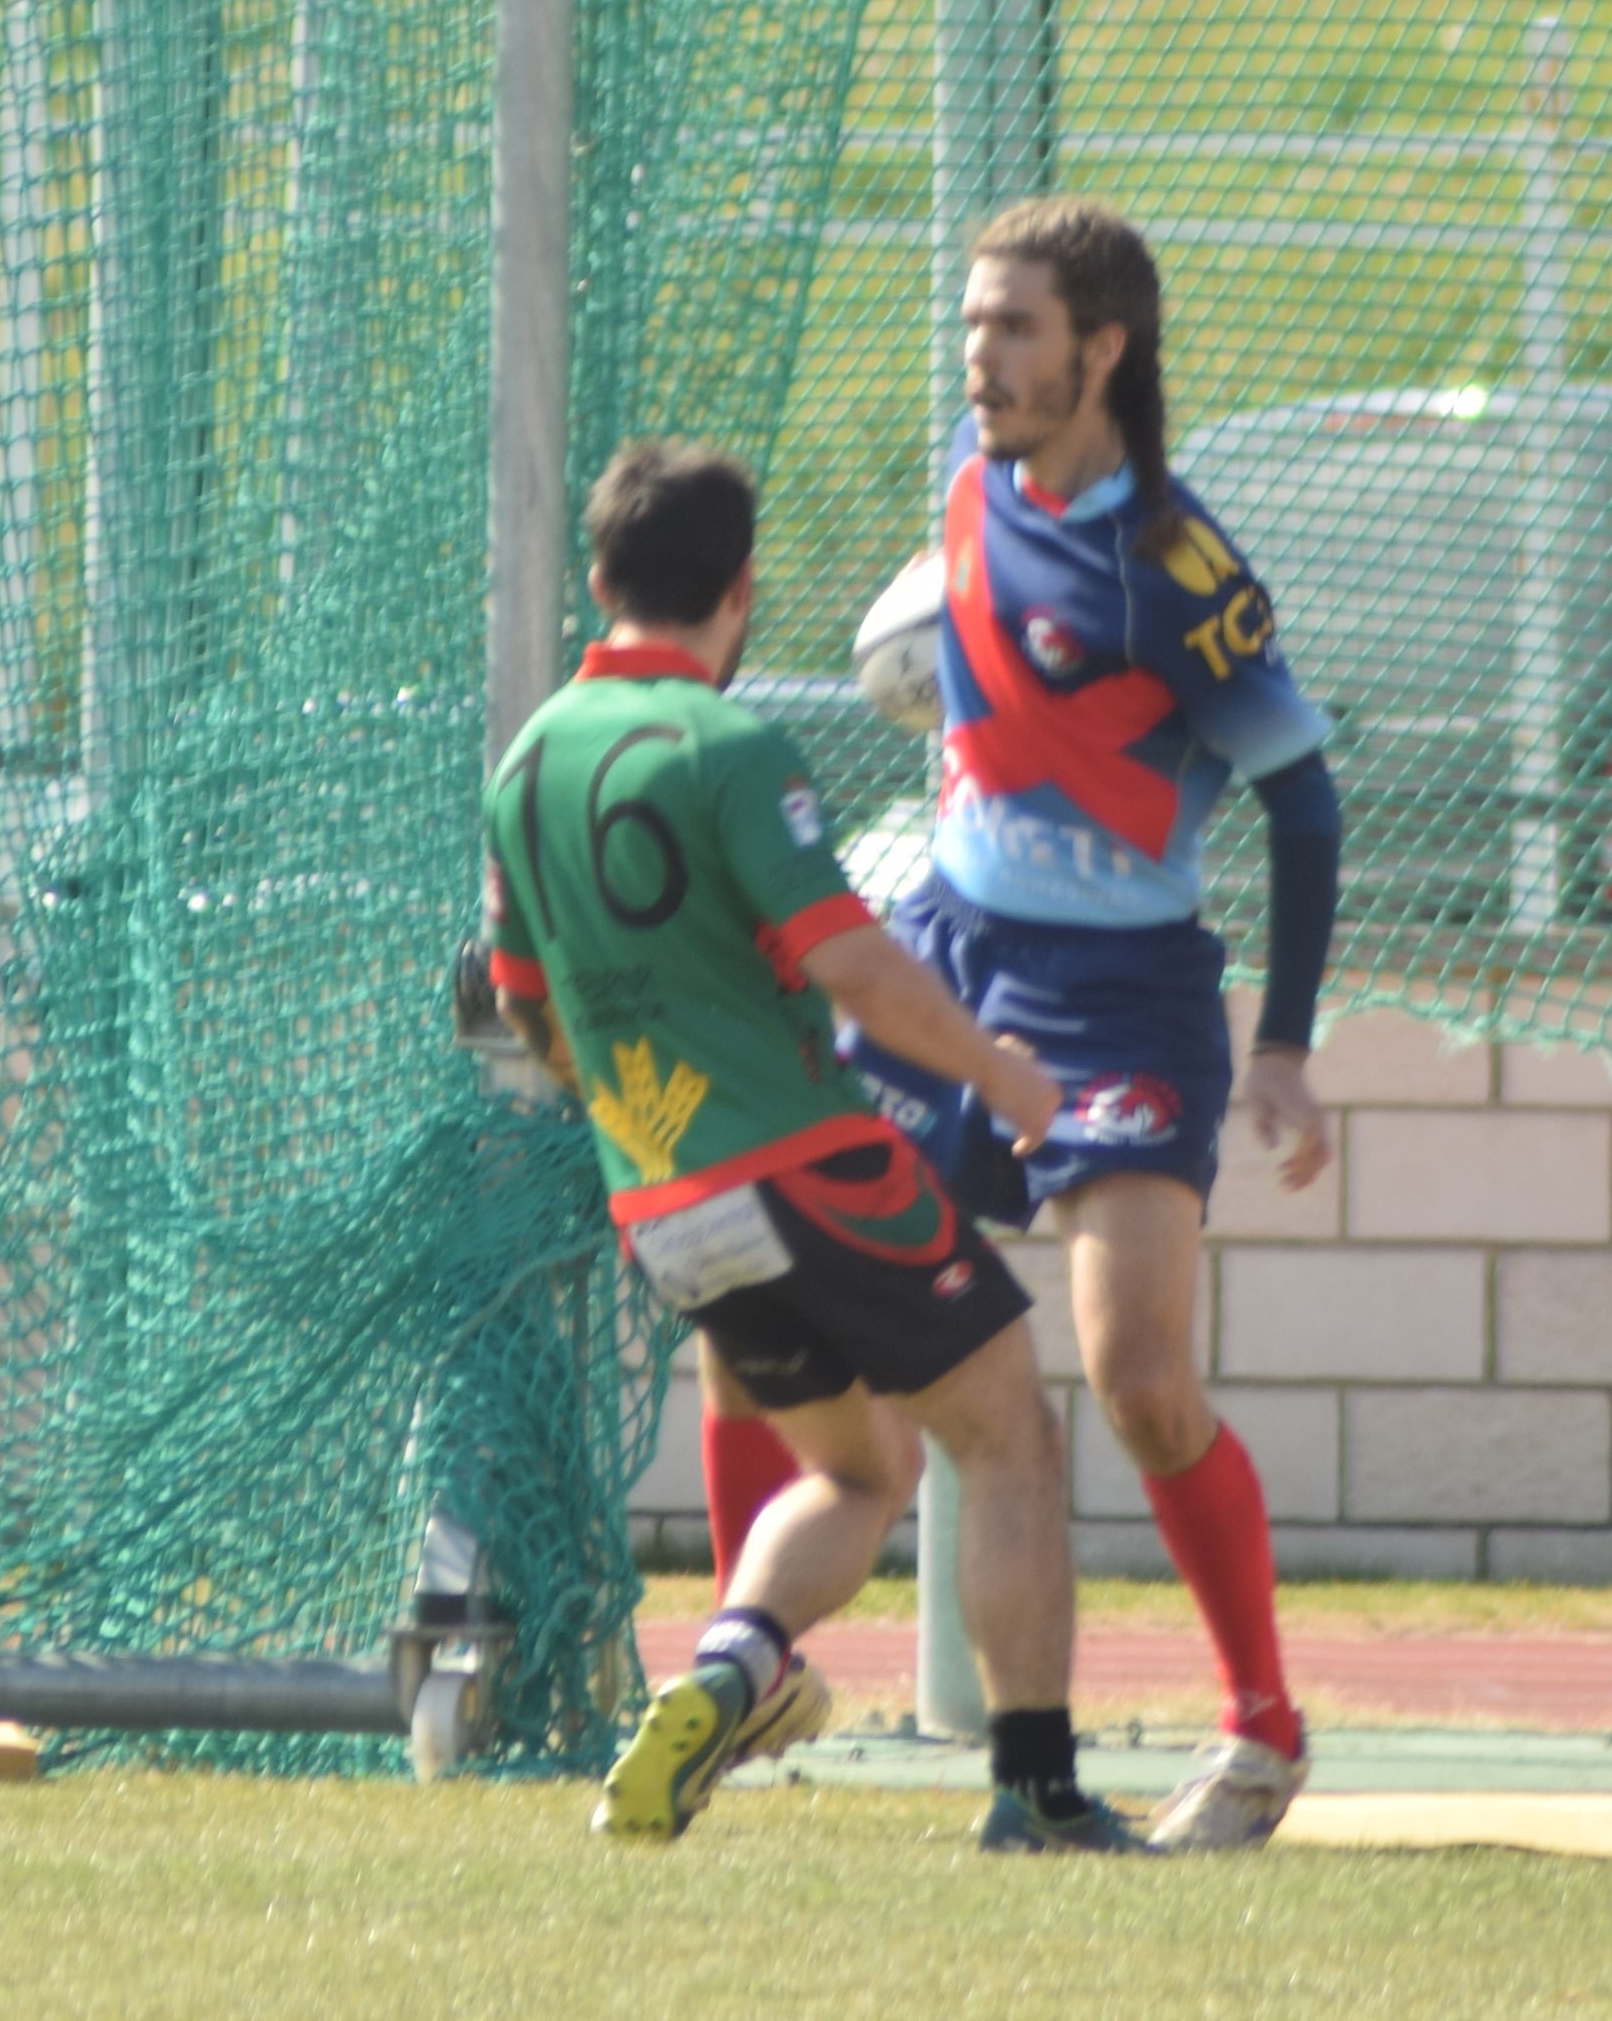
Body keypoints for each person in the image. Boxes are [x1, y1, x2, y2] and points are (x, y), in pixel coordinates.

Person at [773, 195, 1347, 1852]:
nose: (982, 357)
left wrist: (1286, 1052)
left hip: (1119, 1002)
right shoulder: (963, 495)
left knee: (1140, 1379)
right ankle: (751, 1675)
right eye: (972, 324)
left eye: (1016, 328)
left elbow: (1304, 810)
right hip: (946, 967)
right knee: (799, 1322)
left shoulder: (1180, 568)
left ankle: (1260, 1731)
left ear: (1105, 350)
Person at [474, 439, 1140, 1854]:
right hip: (808, 1168)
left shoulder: (525, 763)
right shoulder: (730, 748)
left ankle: (729, 1673)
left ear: (599, 582)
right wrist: (1000, 1072)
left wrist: (645, 1106)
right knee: (1006, 1435)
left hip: (660, 1202)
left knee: (854, 1472)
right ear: (744, 590)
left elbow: (527, 1010)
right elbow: (848, 961)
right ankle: (1037, 1791)